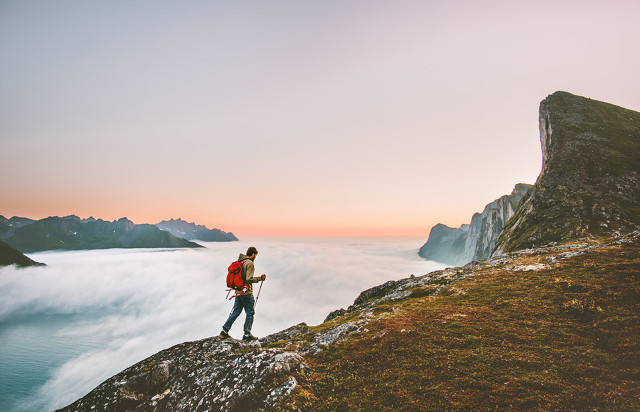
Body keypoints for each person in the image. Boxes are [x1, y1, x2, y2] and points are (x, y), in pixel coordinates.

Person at [219, 247, 266, 341]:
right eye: (255, 255)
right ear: (253, 254)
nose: (255, 257)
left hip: (238, 291)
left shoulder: (241, 262)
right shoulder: (249, 263)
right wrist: (260, 278)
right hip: (246, 292)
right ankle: (247, 334)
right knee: (250, 312)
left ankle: (224, 331)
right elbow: (249, 279)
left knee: (236, 311)